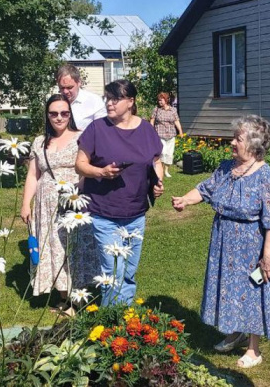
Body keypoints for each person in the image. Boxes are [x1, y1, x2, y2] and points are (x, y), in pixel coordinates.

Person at [171, 115, 270, 369]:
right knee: (230, 290)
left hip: (252, 245)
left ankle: (254, 349)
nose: (231, 142)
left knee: (253, 292)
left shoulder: (267, 178)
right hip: (224, 243)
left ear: (254, 144)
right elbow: (204, 189)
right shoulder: (225, 168)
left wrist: (267, 256)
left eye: (238, 139)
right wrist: (185, 200)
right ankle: (236, 332)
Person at [75, 79, 164, 306]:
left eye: (115, 99)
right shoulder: (97, 128)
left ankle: (123, 320)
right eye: (107, 98)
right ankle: (111, 324)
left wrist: (158, 181)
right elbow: (80, 165)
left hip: (135, 213)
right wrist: (100, 172)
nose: (109, 103)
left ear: (130, 101)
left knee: (128, 272)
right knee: (112, 270)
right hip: (105, 212)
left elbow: (156, 160)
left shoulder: (146, 129)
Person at [20, 94, 98, 314]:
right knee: (53, 247)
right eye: (53, 113)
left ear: (70, 114)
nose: (59, 117)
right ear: (47, 115)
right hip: (45, 205)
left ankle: (79, 299)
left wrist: (76, 193)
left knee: (73, 248)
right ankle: (65, 297)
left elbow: (89, 169)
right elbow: (32, 175)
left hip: (73, 200)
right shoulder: (40, 141)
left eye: (64, 113)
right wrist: (26, 203)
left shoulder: (82, 137)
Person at [56, 64, 106, 131]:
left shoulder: (95, 101)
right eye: (62, 88)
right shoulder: (55, 103)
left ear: (79, 82)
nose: (65, 91)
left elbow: (102, 130)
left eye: (69, 87)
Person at [149, 92, 183, 178]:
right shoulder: (156, 110)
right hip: (160, 134)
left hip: (171, 134)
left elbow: (176, 121)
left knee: (169, 154)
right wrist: (150, 130)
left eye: (161, 100)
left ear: (166, 100)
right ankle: (159, 169)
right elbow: (152, 120)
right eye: (159, 100)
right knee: (162, 153)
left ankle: (166, 171)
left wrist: (181, 131)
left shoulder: (173, 110)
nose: (160, 102)